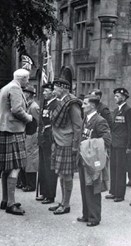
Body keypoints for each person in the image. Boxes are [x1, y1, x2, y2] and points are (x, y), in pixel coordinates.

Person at [0, 68, 33, 216]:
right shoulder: (15, 88)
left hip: (5, 129)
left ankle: (5, 200)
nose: (28, 81)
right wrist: (28, 118)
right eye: (27, 79)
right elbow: (17, 110)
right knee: (15, 167)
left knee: (6, 167)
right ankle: (11, 203)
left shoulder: (6, 87)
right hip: (14, 130)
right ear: (22, 79)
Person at [48, 78, 83, 215]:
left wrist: (75, 145)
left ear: (63, 89)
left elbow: (78, 126)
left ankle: (66, 204)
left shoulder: (72, 103)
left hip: (67, 142)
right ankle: (62, 202)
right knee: (61, 174)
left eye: (55, 88)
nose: (53, 90)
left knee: (67, 175)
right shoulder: (63, 101)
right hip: (59, 141)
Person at [77, 95, 111, 227]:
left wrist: (89, 145)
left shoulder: (100, 120)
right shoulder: (86, 118)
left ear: (92, 106)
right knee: (84, 187)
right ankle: (86, 214)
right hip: (83, 159)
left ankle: (94, 217)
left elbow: (107, 140)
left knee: (93, 188)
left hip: (92, 160)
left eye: (85, 104)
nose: (82, 106)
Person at [105, 88, 131, 202]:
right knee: (113, 168)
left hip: (122, 144)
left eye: (117, 96)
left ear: (124, 97)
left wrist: (129, 146)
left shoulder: (128, 110)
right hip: (114, 143)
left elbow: (130, 129)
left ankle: (120, 194)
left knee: (120, 170)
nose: (115, 98)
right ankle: (113, 191)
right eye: (115, 96)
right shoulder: (116, 110)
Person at [36, 82, 58, 204]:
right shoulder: (45, 104)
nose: (44, 93)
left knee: (50, 167)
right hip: (43, 139)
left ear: (52, 92)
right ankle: (43, 192)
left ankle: (50, 194)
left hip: (50, 139)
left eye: (46, 91)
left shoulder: (56, 105)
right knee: (43, 167)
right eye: (43, 91)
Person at [18, 85, 40, 192]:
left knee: (31, 159)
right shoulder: (27, 105)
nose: (24, 94)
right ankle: (24, 182)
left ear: (29, 94)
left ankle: (31, 184)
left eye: (25, 93)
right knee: (25, 158)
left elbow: (38, 122)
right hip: (26, 133)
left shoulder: (34, 107)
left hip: (32, 134)